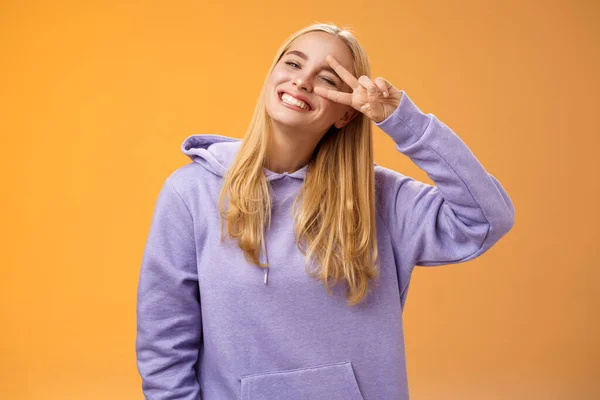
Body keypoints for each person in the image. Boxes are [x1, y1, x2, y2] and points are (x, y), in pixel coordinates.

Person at [135, 22, 514, 400]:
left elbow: (487, 218)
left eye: (328, 79)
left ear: (346, 114)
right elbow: (163, 344)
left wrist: (403, 122)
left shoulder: (378, 198)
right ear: (272, 76)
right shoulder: (191, 193)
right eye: (294, 64)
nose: (302, 81)